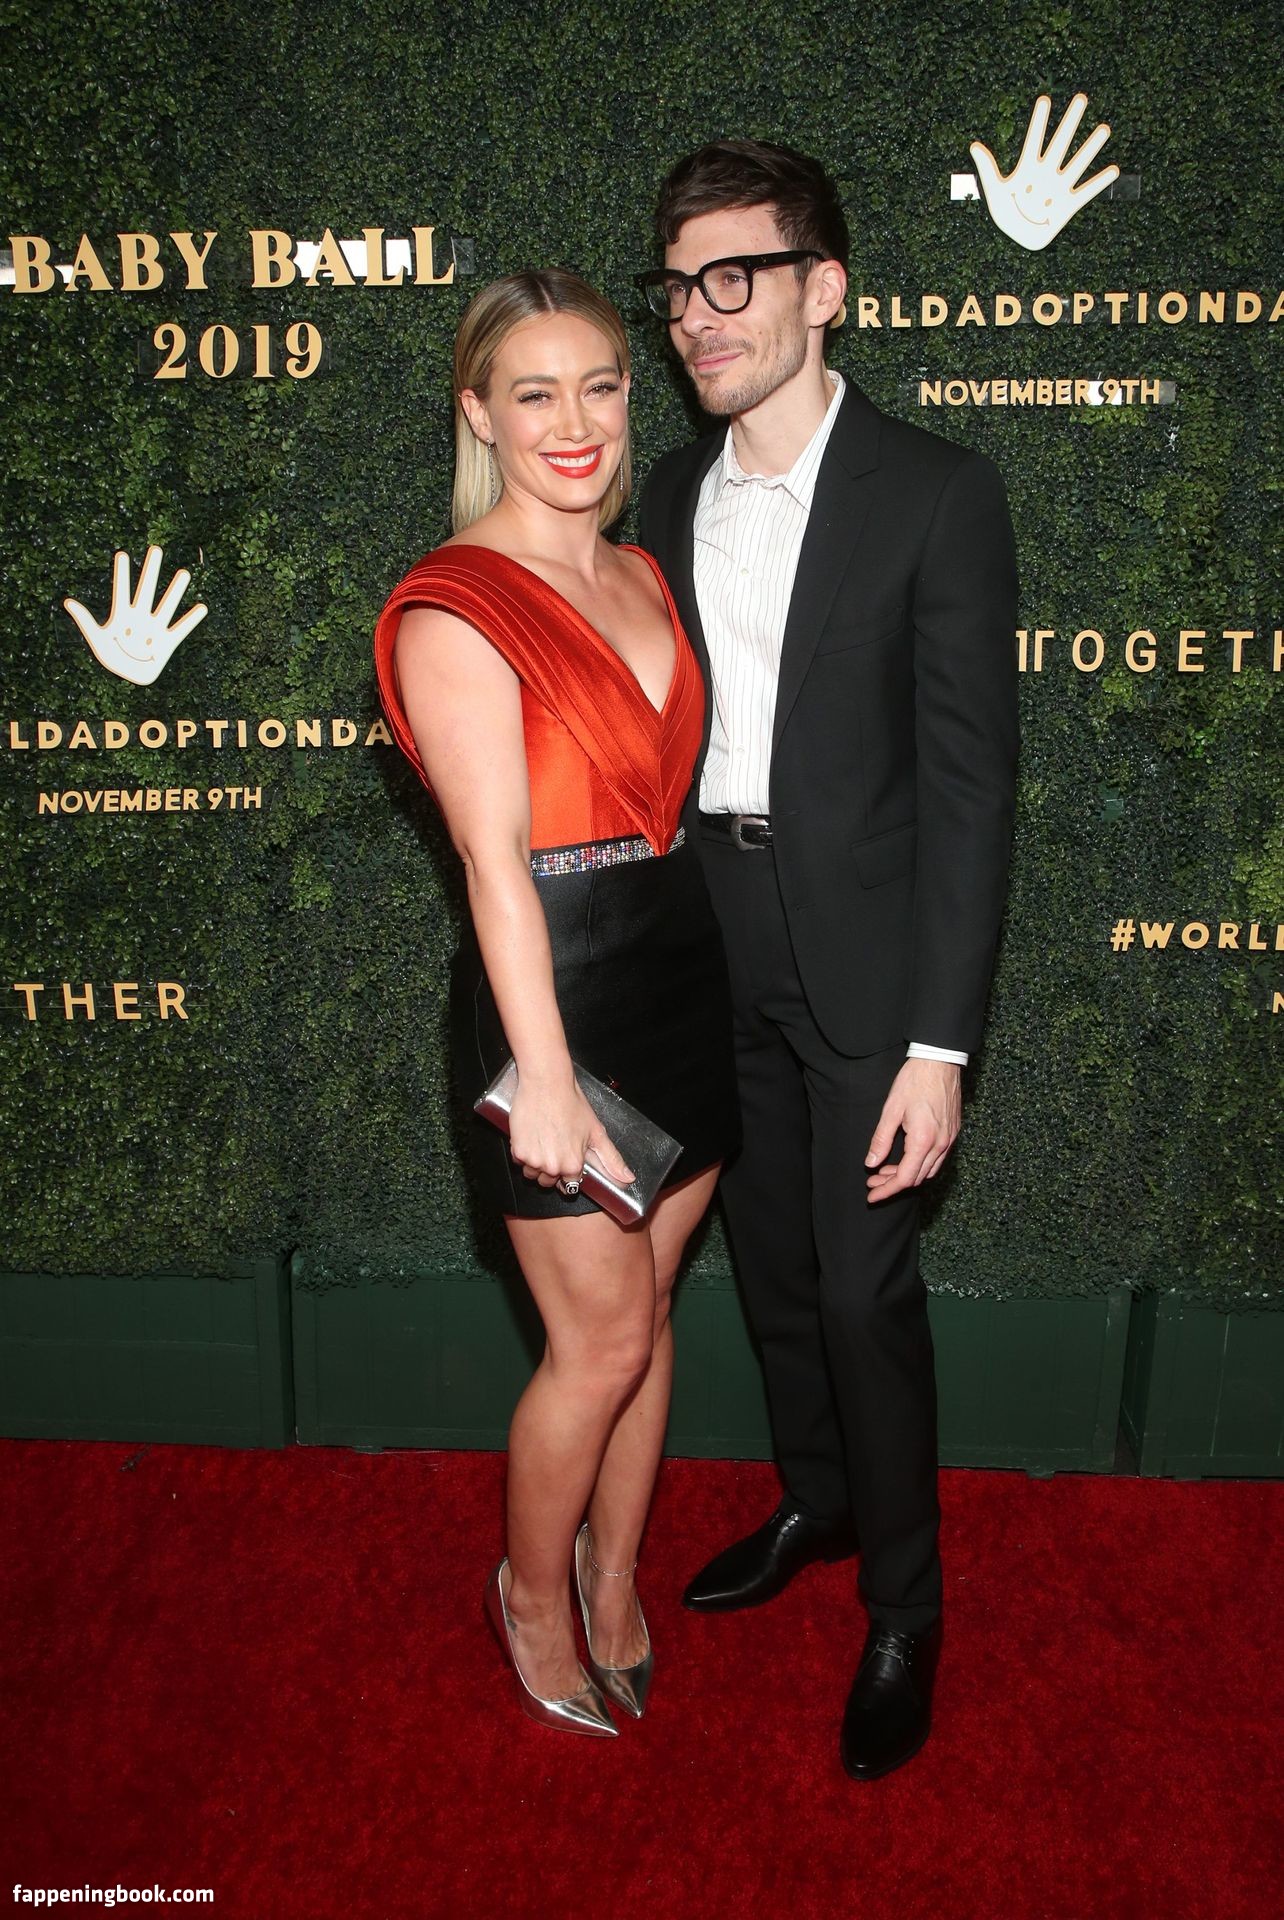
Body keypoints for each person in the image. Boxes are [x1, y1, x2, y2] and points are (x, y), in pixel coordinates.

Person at [635, 140, 1019, 1779]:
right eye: (680, 286)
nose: (700, 315)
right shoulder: (665, 495)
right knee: (777, 1268)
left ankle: (907, 1607)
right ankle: (819, 1497)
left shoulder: (935, 491)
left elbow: (970, 787)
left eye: (737, 276)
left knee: (864, 1292)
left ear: (826, 288)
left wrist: (942, 1043)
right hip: (710, 944)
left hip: (870, 966)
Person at [373, 270, 738, 1738]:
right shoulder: (454, 606)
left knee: (649, 1316)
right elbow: (493, 867)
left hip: (684, 973)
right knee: (597, 1345)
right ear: (480, 414)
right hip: (559, 1000)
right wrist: (543, 1074)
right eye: (534, 393)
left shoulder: (645, 572)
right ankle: (530, 1596)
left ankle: (613, 1572)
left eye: (599, 384)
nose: (574, 421)